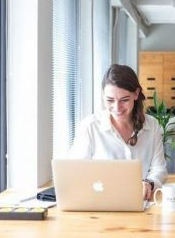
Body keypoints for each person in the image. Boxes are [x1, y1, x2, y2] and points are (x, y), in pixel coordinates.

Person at [69, 64, 167, 200]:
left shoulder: (152, 126)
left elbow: (159, 169)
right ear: (103, 95)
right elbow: (75, 172)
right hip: (101, 202)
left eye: (124, 100)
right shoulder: (89, 127)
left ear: (136, 94)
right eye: (110, 100)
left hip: (141, 202)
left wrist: (149, 183)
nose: (117, 107)